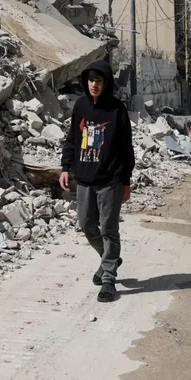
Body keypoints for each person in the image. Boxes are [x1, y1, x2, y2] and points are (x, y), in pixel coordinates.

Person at [59, 60, 135, 303]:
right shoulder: (80, 106)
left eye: (99, 81)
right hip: (84, 179)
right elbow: (72, 139)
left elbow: (126, 148)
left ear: (106, 83)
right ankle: (108, 257)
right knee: (86, 224)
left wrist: (125, 181)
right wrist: (65, 167)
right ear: (86, 82)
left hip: (110, 180)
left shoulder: (117, 110)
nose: (94, 85)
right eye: (91, 80)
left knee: (109, 229)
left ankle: (109, 279)